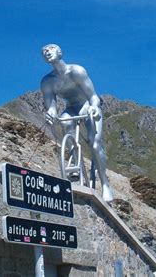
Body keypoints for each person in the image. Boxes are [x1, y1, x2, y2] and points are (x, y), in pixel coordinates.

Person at [40, 44, 114, 202]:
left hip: (87, 105)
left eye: (50, 49)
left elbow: (93, 96)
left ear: (59, 52)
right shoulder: (47, 81)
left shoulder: (76, 71)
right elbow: (51, 105)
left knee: (95, 144)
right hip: (71, 108)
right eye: (43, 51)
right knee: (65, 122)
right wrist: (51, 112)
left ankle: (105, 184)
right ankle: (76, 163)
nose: (46, 52)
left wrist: (94, 107)